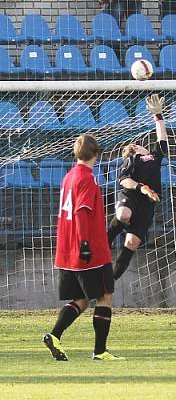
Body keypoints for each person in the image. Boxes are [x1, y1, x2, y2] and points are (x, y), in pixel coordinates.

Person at [42, 134, 122, 361]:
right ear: (97, 154)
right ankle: (100, 351)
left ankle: (54, 335)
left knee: (82, 298)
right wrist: (86, 244)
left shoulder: (68, 177)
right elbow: (82, 212)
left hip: (66, 250)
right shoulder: (87, 178)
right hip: (88, 250)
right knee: (105, 295)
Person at [107, 94, 167, 279]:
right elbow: (124, 180)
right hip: (131, 196)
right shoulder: (133, 159)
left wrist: (158, 115)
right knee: (124, 214)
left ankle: (109, 281)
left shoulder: (155, 157)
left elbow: (162, 139)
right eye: (135, 146)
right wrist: (142, 187)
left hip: (147, 204)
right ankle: (105, 239)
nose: (139, 147)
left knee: (132, 242)